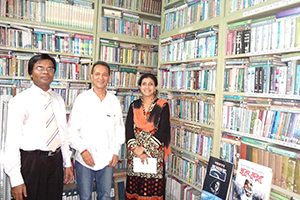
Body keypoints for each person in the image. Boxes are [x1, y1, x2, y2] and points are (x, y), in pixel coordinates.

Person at [4, 54, 73, 200]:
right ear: (31, 73)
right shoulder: (20, 101)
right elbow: (12, 142)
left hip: (55, 160)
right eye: (39, 68)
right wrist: (16, 179)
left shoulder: (58, 99)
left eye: (50, 69)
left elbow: (63, 133)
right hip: (31, 162)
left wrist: (67, 163)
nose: (45, 72)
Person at [68, 61, 125, 200]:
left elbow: (119, 128)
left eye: (105, 74)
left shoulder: (113, 101)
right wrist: (83, 151)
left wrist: (116, 152)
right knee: (85, 196)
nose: (101, 77)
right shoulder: (82, 99)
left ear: (109, 78)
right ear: (92, 76)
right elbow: (72, 129)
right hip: (84, 158)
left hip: (107, 159)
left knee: (105, 195)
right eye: (97, 74)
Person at [125, 73, 171, 200]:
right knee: (135, 189)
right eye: (144, 84)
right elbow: (128, 128)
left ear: (155, 87)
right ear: (139, 87)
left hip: (154, 154)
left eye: (151, 84)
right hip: (135, 154)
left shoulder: (163, 106)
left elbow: (162, 131)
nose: (147, 87)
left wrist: (144, 149)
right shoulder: (134, 105)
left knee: (152, 191)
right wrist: (136, 149)